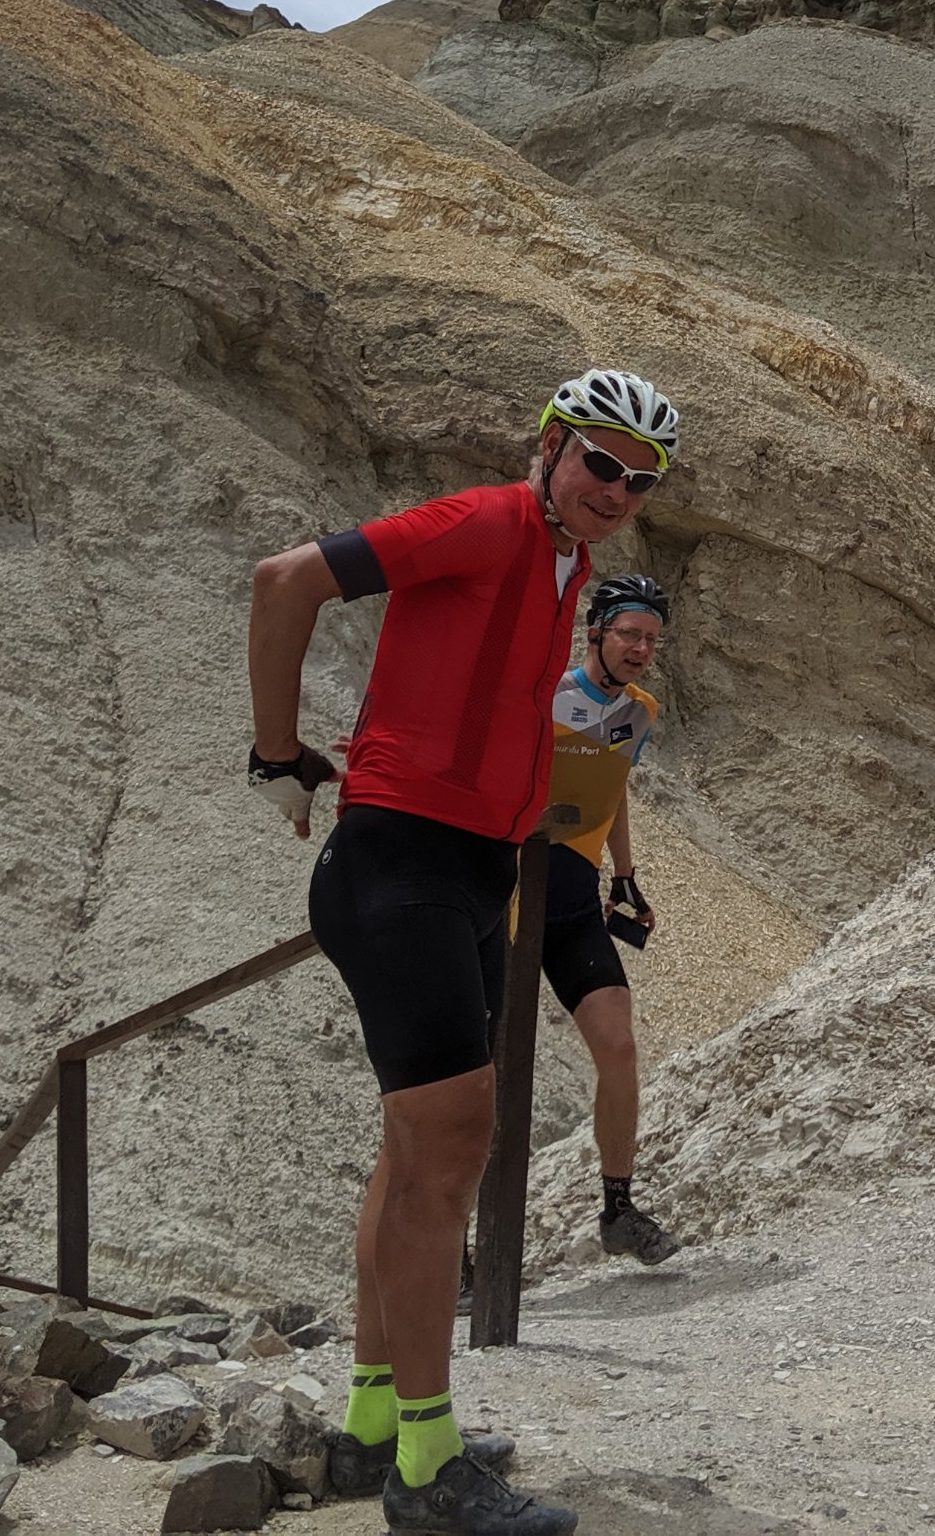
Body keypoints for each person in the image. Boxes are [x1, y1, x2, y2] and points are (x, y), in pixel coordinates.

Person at [244, 368, 680, 1536]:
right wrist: (276, 753)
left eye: (641, 481)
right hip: (407, 864)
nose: (616, 490)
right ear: (550, 444)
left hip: (468, 872)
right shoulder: (490, 519)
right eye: (601, 463)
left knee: (412, 1157)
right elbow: (286, 579)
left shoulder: (567, 567)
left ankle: (374, 1425)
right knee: (447, 1161)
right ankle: (429, 1471)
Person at [540, 572, 681, 1264]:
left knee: (619, 1047)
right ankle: (462, 1247)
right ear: (595, 631)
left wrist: (623, 873)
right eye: (630, 633)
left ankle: (618, 1208)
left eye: (652, 639)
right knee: (480, 1071)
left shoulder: (640, 712)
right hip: (507, 891)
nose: (641, 649)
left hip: (572, 892)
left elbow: (613, 788)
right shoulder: (545, 692)